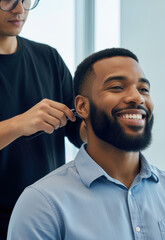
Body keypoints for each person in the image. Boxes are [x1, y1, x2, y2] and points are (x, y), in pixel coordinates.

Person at [7, 48, 165, 239]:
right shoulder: (42, 205)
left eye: (144, 89)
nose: (137, 98)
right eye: (117, 87)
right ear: (81, 106)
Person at [0, 0, 85, 238]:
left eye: (26, 0)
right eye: (7, 0)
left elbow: (79, 131)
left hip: (46, 216)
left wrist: (103, 120)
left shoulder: (48, 58)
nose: (19, 10)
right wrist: (19, 124)